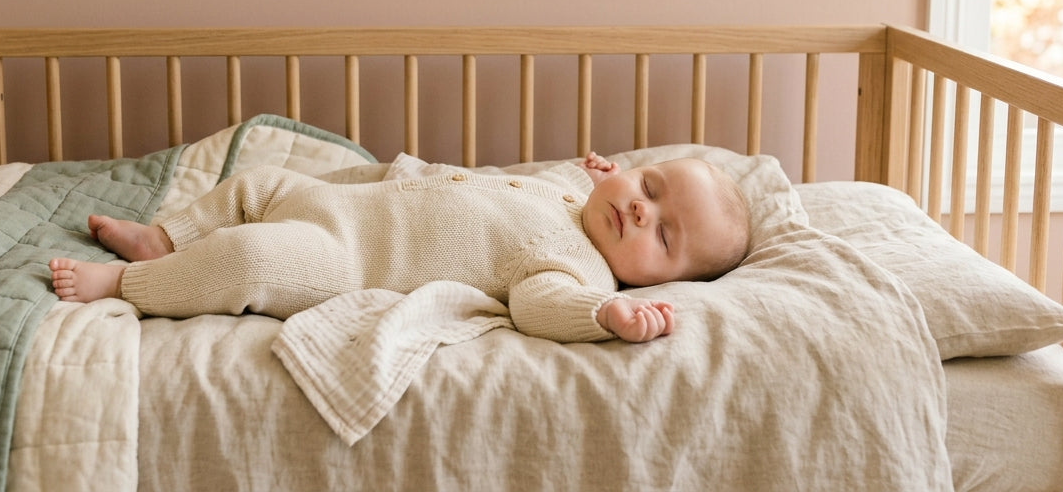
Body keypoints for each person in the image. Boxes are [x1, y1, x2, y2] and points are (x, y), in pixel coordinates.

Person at [49, 152, 750, 344]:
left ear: (658, 281)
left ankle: (126, 285)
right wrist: (594, 175)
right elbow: (575, 181)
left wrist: (602, 317)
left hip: (344, 256)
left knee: (250, 258)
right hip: (340, 203)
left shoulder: (579, 268)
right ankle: (164, 238)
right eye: (649, 185)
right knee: (256, 183)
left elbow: (542, 306)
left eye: (663, 234)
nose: (640, 208)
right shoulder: (573, 193)